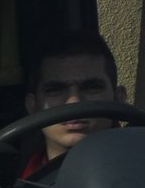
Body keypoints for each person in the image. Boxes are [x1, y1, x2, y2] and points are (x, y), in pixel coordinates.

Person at [20, 31, 128, 179]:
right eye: (55, 90)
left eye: (92, 87)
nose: (74, 102)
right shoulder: (7, 187)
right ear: (33, 106)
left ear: (119, 98)